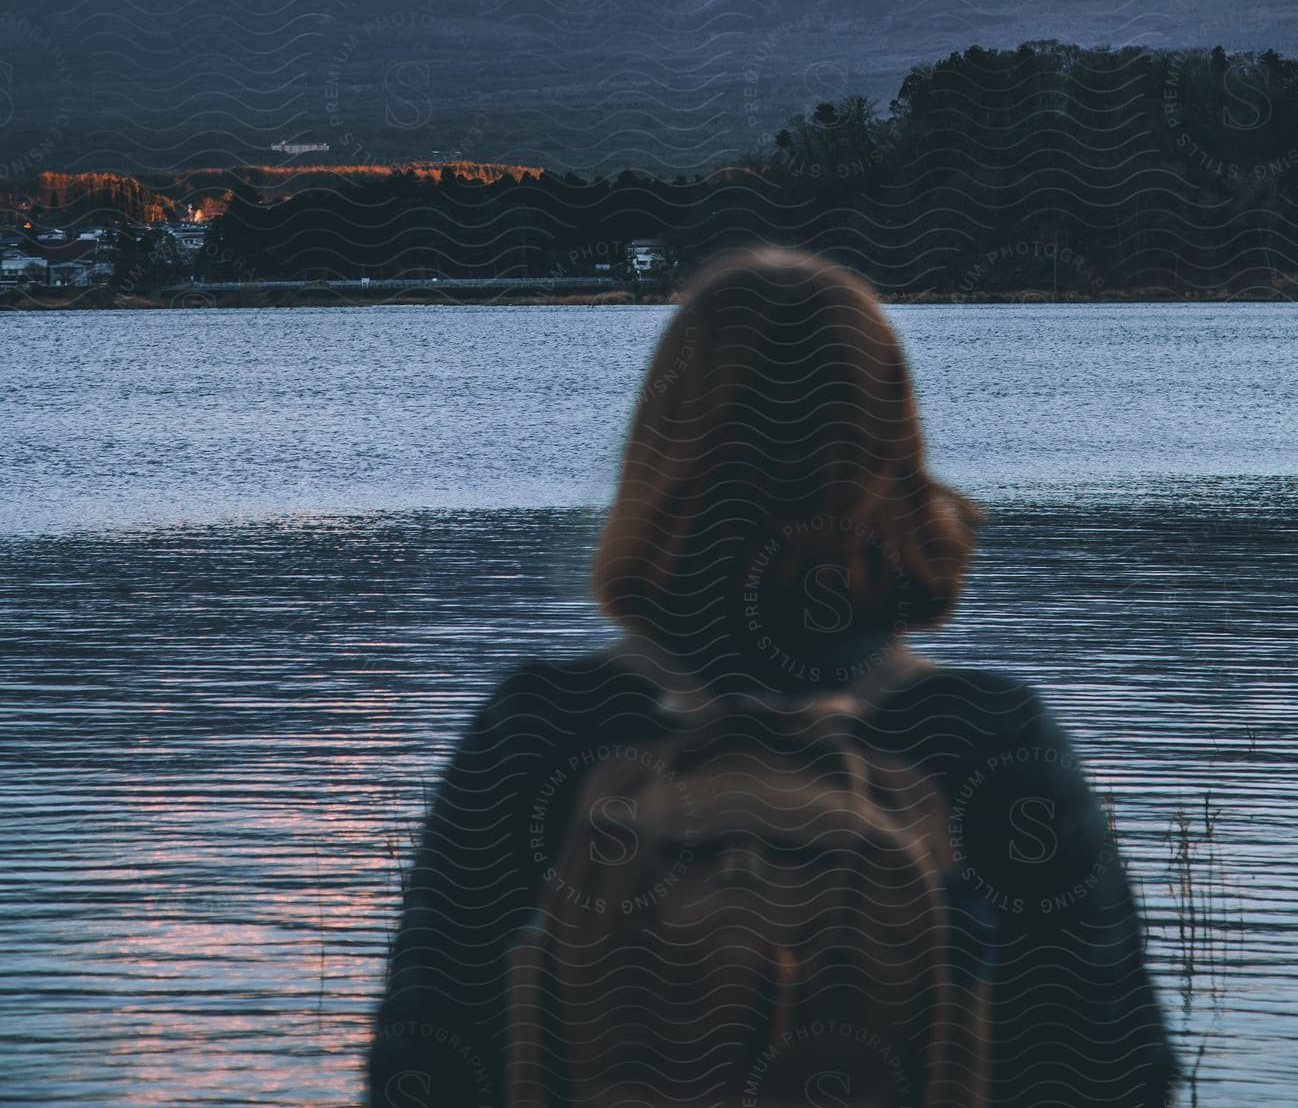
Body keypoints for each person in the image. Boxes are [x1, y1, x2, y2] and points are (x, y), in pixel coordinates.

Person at [367, 247, 1179, 1106]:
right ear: (894, 451)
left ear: (660, 450)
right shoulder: (984, 735)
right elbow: (1118, 1073)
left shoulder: (543, 727)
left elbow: (418, 1070)